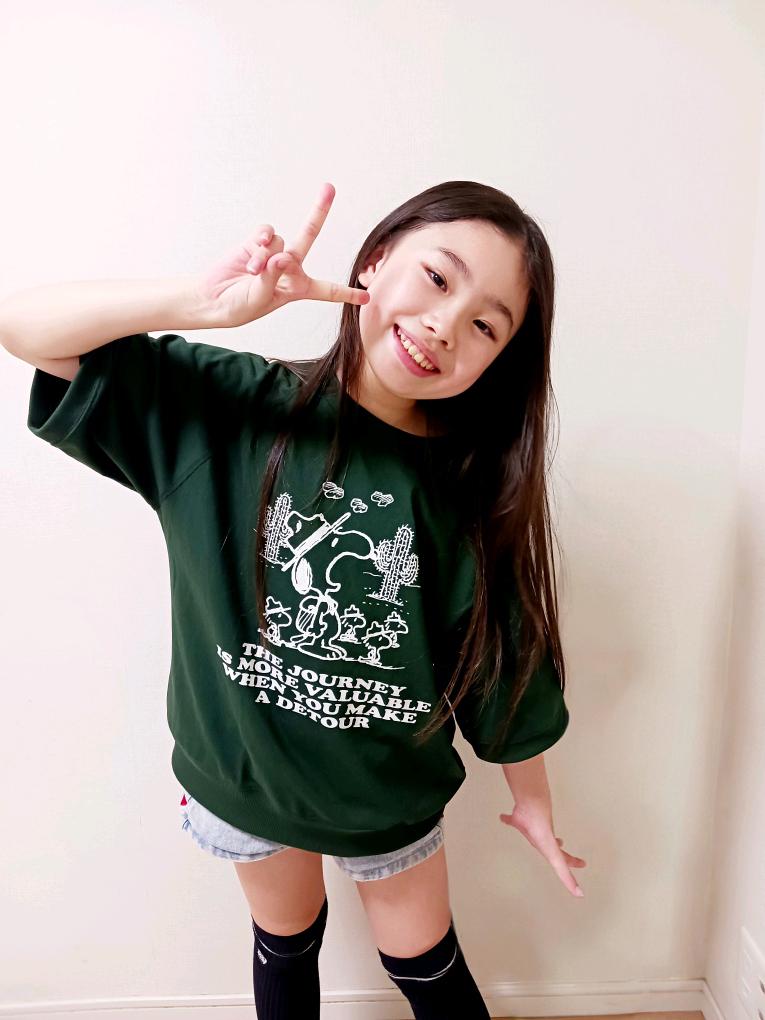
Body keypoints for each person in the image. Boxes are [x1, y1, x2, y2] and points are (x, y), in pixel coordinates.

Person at [2, 180, 586, 1019]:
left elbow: (499, 661)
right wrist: (205, 307)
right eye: (437, 278)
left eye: (485, 326)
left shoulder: (464, 489)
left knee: (424, 964)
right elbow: (22, 327)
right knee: (284, 943)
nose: (444, 324)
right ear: (375, 261)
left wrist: (532, 800)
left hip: (384, 795)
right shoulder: (229, 409)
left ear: (499, 361)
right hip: (245, 776)